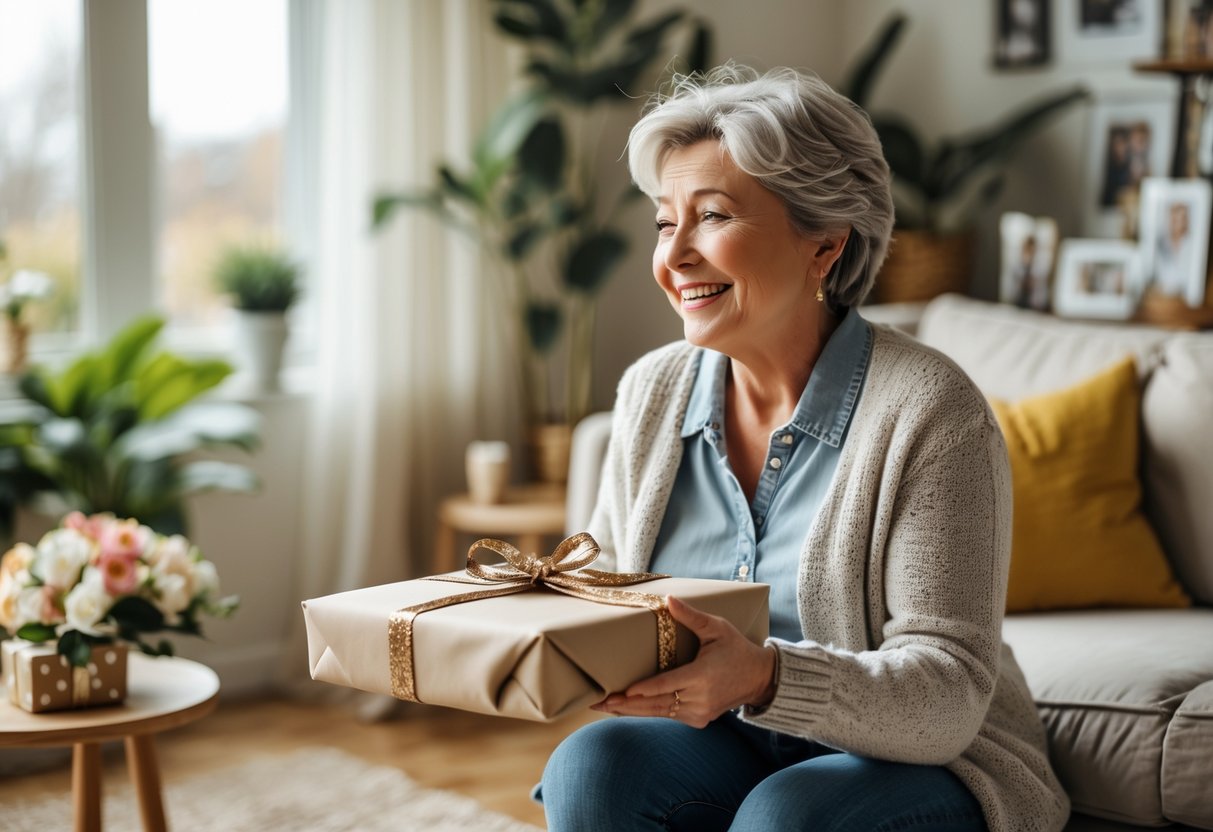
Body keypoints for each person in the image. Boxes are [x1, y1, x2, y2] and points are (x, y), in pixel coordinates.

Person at [536, 65, 1070, 832]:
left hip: (924, 760)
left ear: (823, 245)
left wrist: (763, 676)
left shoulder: (930, 410)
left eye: (711, 216)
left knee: (789, 814)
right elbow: (612, 600)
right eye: (663, 222)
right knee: (591, 764)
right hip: (721, 743)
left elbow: (947, 693)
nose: (674, 255)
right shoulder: (652, 391)